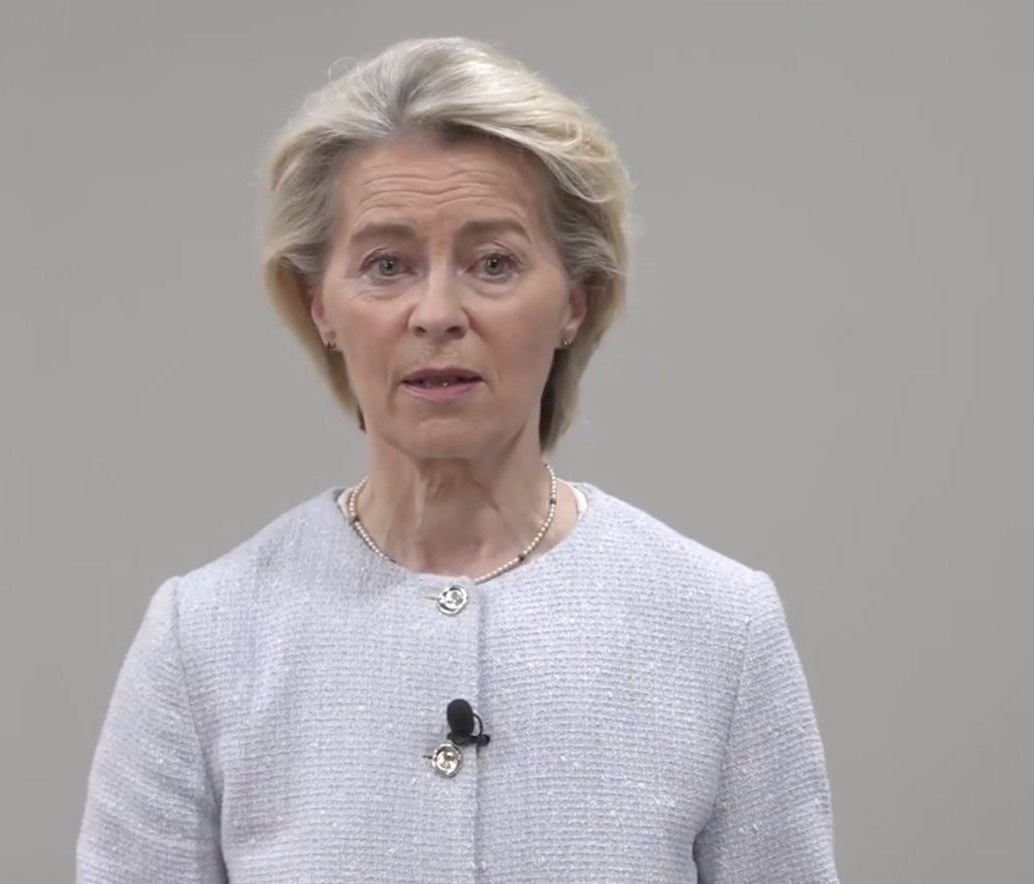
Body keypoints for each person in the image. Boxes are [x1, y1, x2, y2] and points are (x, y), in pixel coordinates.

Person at [76, 35, 839, 883]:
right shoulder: (205, 640)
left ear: (575, 302)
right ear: (319, 305)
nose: (437, 312)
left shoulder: (718, 628)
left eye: (494, 263)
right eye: (387, 265)